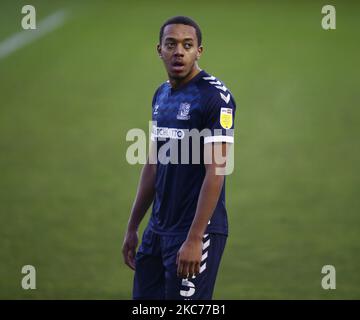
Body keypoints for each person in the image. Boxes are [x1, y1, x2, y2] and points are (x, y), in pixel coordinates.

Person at [122, 15, 236, 300]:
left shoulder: (214, 97)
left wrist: (196, 237)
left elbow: (216, 171)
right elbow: (153, 165)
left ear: (199, 51)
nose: (179, 52)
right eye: (171, 44)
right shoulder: (161, 95)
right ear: (159, 49)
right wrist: (134, 226)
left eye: (187, 45)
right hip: (157, 231)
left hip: (196, 231)